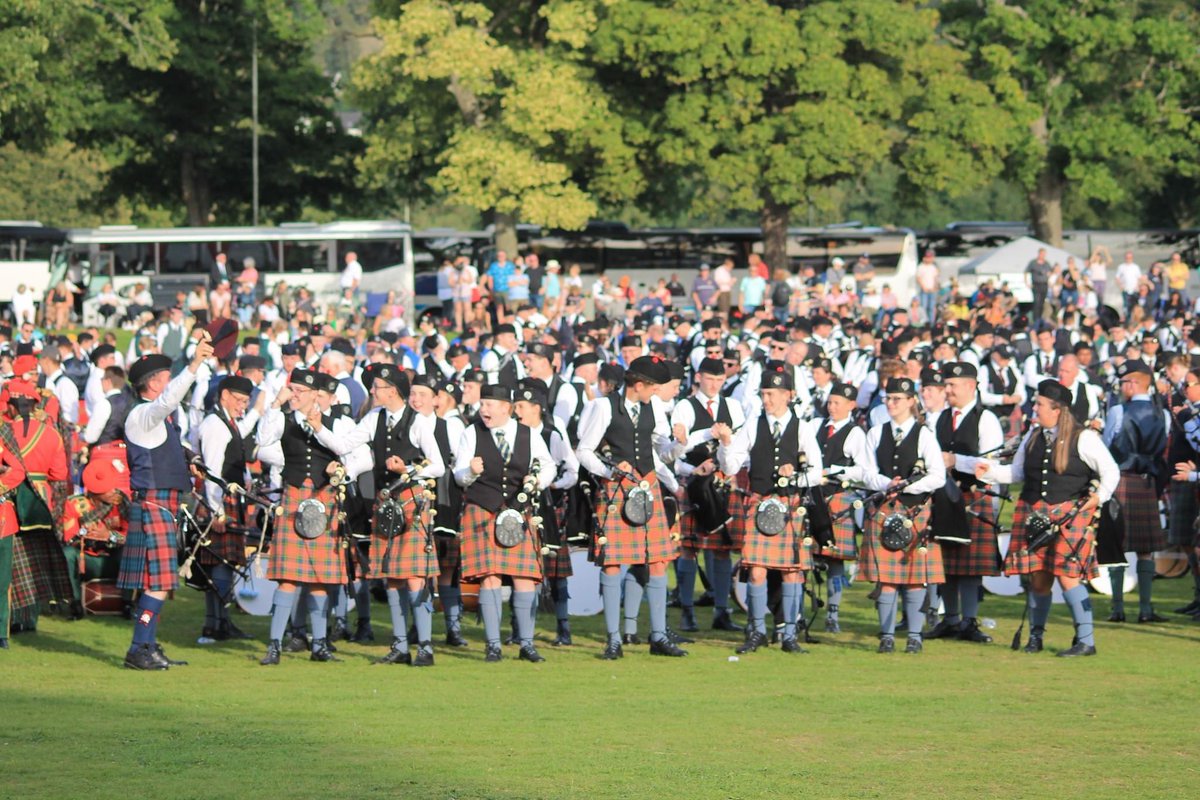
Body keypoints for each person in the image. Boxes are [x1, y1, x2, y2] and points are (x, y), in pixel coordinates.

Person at [976, 379, 1119, 656]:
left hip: (1070, 514)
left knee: (1068, 576)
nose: (1034, 407)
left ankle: (1086, 641)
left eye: (1039, 404)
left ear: (1057, 409)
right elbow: (1017, 474)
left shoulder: (1084, 437)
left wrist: (1098, 497)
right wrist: (988, 472)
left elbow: (1111, 471)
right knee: (1039, 579)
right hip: (1034, 514)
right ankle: (1035, 637)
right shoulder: (1033, 436)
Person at [320, 367, 445, 666]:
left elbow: (439, 466)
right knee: (391, 578)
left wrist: (408, 470)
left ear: (393, 390)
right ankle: (400, 647)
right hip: (385, 503)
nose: (372, 392)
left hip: (412, 501)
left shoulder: (419, 423)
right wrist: (317, 426)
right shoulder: (373, 418)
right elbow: (342, 445)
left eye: (377, 387)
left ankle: (425, 648)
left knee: (415, 577)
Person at [576, 355, 687, 659]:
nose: (657, 393)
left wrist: (679, 444)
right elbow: (584, 450)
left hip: (648, 486)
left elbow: (661, 451)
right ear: (639, 385)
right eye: (654, 388)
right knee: (613, 563)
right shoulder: (602, 406)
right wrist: (609, 470)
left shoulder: (655, 408)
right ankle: (613, 639)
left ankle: (658, 636)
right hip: (617, 489)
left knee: (657, 561)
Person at [117, 337, 214, 669]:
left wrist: (191, 457)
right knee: (158, 583)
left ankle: (148, 645)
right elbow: (169, 401)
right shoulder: (143, 414)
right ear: (154, 382)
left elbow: (174, 442)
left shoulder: (159, 421)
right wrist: (194, 366)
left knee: (157, 583)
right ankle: (138, 648)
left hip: (163, 504)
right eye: (167, 377)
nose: (171, 383)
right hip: (153, 504)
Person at [716, 363, 823, 653]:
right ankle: (757, 631)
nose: (767, 400)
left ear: (789, 394)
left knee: (791, 571)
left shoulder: (803, 427)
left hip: (789, 505)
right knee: (756, 571)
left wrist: (796, 475)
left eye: (772, 394)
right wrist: (726, 444)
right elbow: (730, 466)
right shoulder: (752, 424)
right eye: (763, 393)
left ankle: (789, 635)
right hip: (759, 502)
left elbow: (816, 473)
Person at [255, 369, 358, 665]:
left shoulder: (336, 425)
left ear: (316, 394)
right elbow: (263, 441)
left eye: (301, 391)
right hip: (295, 497)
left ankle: (320, 645)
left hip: (325, 499)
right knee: (287, 578)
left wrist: (338, 470)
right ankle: (274, 645)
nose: (296, 395)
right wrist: (275, 404)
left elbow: (351, 458)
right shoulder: (283, 420)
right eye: (293, 389)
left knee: (320, 580)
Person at [452, 382, 555, 662]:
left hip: (518, 511)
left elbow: (549, 465)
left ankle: (526, 644)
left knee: (525, 578)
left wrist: (537, 481)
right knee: (490, 576)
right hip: (482, 510)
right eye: (482, 404)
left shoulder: (529, 434)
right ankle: (493, 644)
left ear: (506, 408)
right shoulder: (471, 433)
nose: (483, 410)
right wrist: (471, 472)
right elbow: (459, 476)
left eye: (489, 405)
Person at [858, 377, 947, 654]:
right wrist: (887, 483)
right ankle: (886, 635)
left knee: (914, 578)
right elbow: (865, 471)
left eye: (897, 399)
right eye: (888, 398)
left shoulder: (924, 434)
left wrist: (908, 485)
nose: (891, 403)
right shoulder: (875, 433)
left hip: (915, 511)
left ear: (911, 401)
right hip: (885, 509)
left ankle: (914, 635)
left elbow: (938, 476)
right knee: (886, 578)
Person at [925, 362, 1004, 643]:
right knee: (947, 561)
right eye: (946, 385)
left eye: (952, 386)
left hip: (974, 496)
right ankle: (951, 620)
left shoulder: (986, 419)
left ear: (971, 386)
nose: (947, 390)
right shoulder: (940, 418)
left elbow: (991, 464)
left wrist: (956, 460)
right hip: (945, 496)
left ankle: (969, 621)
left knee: (971, 566)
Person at [672, 357, 746, 632]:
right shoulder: (684, 406)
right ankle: (687, 611)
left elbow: (740, 447)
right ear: (699, 378)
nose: (714, 385)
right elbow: (674, 451)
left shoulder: (734, 407)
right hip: (693, 482)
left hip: (724, 482)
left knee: (723, 550)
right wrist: (693, 468)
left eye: (719, 380)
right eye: (710, 379)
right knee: (689, 549)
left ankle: (722, 611)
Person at [1101, 359, 1170, 623]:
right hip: (1147, 482)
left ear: (1133, 383)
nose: (1120, 387)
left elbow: (1108, 447)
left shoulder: (1118, 411)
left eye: (1123, 382)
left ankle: (1117, 609)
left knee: (1117, 545)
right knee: (1146, 548)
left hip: (1122, 480)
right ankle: (1145, 609)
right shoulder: (1161, 412)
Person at [195, 374, 261, 643]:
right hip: (220, 502)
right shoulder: (215, 425)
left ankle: (222, 622)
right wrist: (216, 510)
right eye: (240, 401)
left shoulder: (227, 422)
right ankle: (213, 625)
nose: (243, 406)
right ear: (224, 396)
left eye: (246, 402)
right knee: (219, 565)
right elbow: (211, 470)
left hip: (230, 499)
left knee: (225, 565)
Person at [812, 382, 869, 633]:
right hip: (811, 497)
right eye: (830, 402)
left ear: (851, 406)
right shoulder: (815, 426)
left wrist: (833, 471)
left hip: (837, 497)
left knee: (835, 559)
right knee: (804, 555)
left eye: (838, 403)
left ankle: (832, 613)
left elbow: (864, 470)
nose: (832, 407)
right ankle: (802, 610)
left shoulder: (855, 433)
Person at [1025, 248, 1052, 321]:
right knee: (1037, 303)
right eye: (1042, 254)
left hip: (1044, 284)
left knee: (1042, 303)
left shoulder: (1046, 263)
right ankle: (1036, 319)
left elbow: (1051, 272)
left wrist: (1049, 277)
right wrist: (1026, 282)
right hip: (1036, 284)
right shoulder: (1033, 263)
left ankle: (1041, 319)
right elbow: (1026, 272)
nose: (1043, 255)